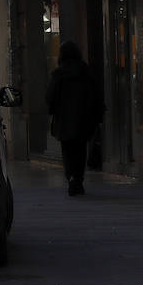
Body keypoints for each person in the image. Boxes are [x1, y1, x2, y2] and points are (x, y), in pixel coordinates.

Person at [46, 41, 105, 196]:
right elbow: (96, 95)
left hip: (64, 119)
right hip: (84, 119)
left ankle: (71, 177)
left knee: (68, 150)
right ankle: (78, 178)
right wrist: (98, 115)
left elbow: (50, 97)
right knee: (80, 149)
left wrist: (52, 110)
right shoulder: (86, 73)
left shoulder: (58, 75)